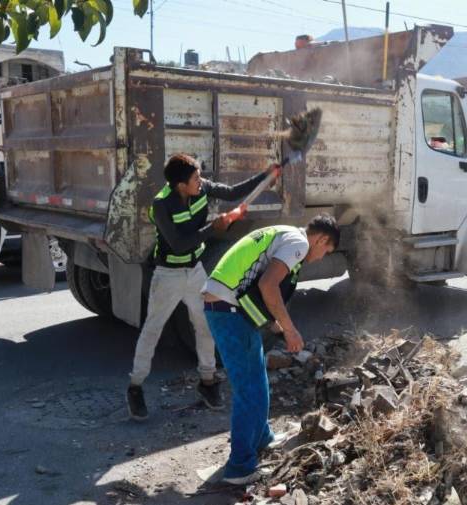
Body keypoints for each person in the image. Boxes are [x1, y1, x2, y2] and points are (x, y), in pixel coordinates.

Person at [127, 153, 279, 421]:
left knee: (205, 325)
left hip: (195, 271)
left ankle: (208, 382)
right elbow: (179, 244)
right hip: (168, 275)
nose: (201, 182)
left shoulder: (201, 188)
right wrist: (216, 226)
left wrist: (266, 174)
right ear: (180, 185)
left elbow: (232, 192)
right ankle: (136, 387)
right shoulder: (161, 205)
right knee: (153, 329)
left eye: (200, 177)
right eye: (196, 179)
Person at [201, 215, 340, 484]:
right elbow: (267, 286)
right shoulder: (298, 243)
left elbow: (257, 288)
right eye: (327, 250)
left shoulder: (288, 235)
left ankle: (263, 437)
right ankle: (239, 468)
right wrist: (289, 329)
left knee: (258, 378)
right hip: (227, 311)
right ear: (321, 239)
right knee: (247, 389)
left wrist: (279, 328)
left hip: (233, 309)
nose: (323, 256)